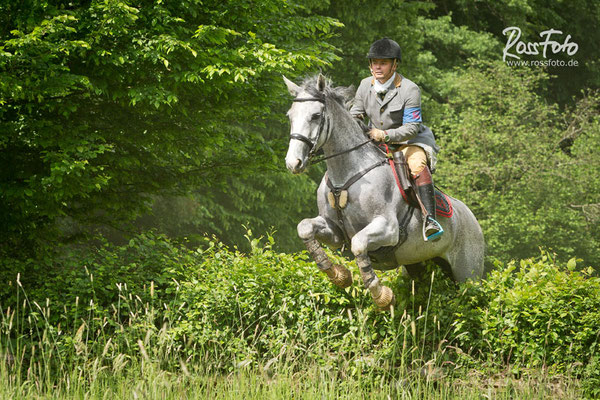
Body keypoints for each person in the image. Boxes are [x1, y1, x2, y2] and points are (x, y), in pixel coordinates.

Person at [350, 37, 443, 242]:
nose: (377, 67)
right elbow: (356, 113)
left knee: (417, 163)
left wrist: (385, 135)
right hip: (376, 142)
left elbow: (411, 128)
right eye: (374, 62)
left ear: (395, 64)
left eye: (383, 63)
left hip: (409, 142)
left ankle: (430, 220)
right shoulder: (365, 85)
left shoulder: (410, 89)